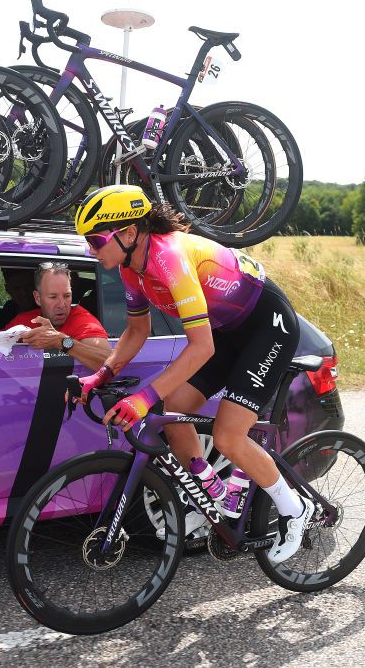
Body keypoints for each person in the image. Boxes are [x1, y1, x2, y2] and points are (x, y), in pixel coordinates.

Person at [72, 184, 313, 564]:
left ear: (129, 232)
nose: (91, 249)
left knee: (228, 436)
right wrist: (100, 374)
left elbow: (202, 347)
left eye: (96, 239)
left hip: (267, 326)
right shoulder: (131, 268)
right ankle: (215, 493)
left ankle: (295, 510)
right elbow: (137, 331)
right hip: (229, 330)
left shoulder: (169, 258)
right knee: (174, 409)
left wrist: (143, 396)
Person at [0, 262, 111, 370]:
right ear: (38, 298)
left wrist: (60, 341)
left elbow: (109, 362)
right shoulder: (25, 319)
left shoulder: (83, 321)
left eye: (67, 296)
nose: (62, 304)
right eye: (53, 297)